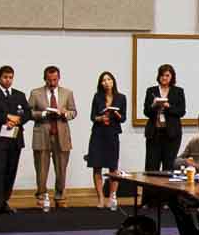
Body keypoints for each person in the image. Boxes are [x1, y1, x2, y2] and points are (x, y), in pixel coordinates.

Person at [0, 65, 30, 216]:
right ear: (0, 77)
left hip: (15, 139)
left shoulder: (19, 95)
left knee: (11, 171)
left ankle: (4, 202)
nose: (8, 80)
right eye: (5, 77)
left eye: (10, 78)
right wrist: (6, 118)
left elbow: (27, 114)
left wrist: (17, 121)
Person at [28, 65, 78, 209]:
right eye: (50, 80)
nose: (52, 83)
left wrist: (65, 113)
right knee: (41, 169)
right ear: (45, 79)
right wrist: (43, 113)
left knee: (61, 168)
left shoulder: (67, 93)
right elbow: (29, 112)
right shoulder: (35, 93)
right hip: (42, 134)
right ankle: (42, 196)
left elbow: (74, 112)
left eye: (55, 79)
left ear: (59, 78)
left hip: (61, 135)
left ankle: (60, 196)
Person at [86, 71, 129, 209]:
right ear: (100, 83)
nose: (106, 82)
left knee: (113, 166)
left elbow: (123, 118)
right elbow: (92, 116)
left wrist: (116, 113)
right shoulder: (97, 97)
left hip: (112, 134)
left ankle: (112, 197)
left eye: (109, 79)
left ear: (113, 81)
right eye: (103, 80)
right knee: (96, 166)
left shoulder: (121, 97)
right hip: (98, 134)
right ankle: (100, 198)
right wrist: (100, 118)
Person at [144, 63, 186, 173]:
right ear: (158, 76)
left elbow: (181, 111)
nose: (164, 78)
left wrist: (168, 107)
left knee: (169, 166)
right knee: (151, 166)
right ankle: (151, 190)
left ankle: (167, 190)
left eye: (167, 75)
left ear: (172, 77)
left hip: (171, 135)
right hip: (154, 133)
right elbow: (146, 112)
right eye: (162, 75)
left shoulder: (178, 91)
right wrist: (153, 105)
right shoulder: (151, 91)